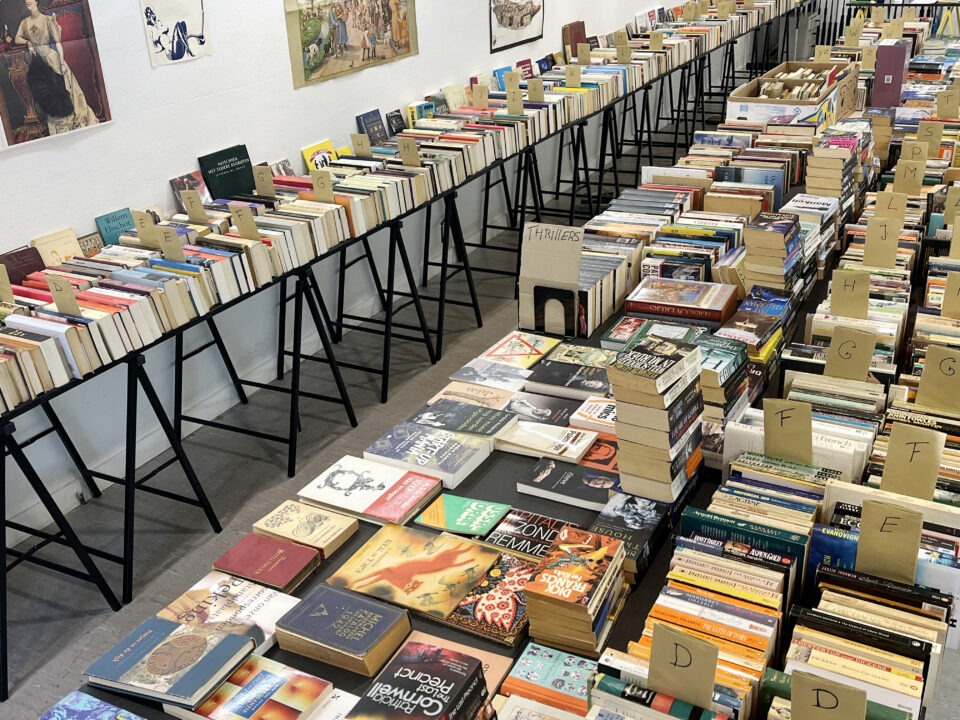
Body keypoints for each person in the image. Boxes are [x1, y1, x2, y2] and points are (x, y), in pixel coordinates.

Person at [15, 0, 98, 135]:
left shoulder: (48, 20)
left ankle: (71, 121)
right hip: (38, 62)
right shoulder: (24, 23)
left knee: (63, 88)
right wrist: (28, 42)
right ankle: (57, 123)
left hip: (52, 59)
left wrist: (62, 64)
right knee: (47, 93)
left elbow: (58, 43)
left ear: (36, 1)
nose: (28, 1)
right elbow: (17, 38)